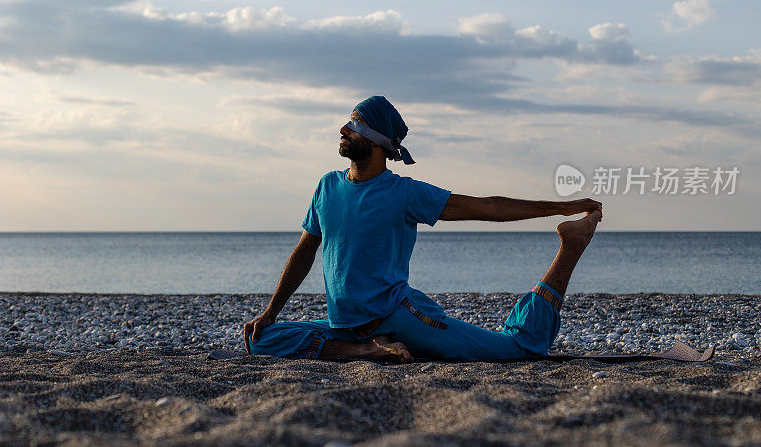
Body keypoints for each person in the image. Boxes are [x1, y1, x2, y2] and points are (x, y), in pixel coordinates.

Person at [243, 96, 602, 363]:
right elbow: (305, 251)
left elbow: (486, 207)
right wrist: (271, 311)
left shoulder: (404, 193)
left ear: (378, 139)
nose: (343, 129)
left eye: (353, 123)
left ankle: (571, 246)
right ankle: (366, 351)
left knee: (518, 349)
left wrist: (563, 207)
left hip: (399, 315)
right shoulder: (327, 186)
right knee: (261, 338)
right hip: (347, 326)